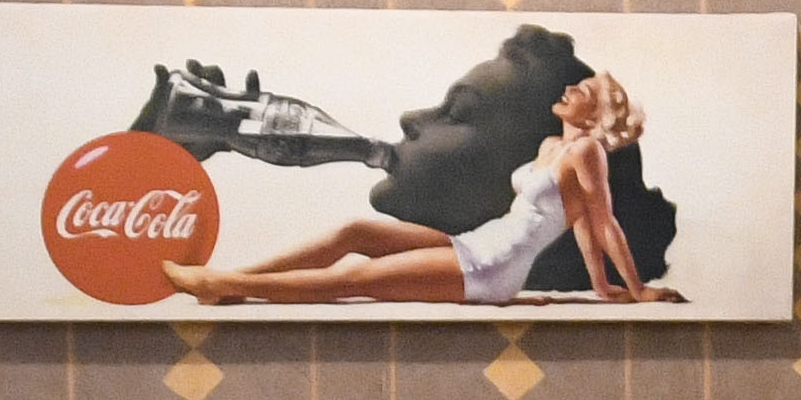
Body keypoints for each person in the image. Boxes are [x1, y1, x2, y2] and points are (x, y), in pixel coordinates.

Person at [164, 71, 670, 305]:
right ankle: (230, 281)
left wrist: (636, 289)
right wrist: (600, 287)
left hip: (494, 267)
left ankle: (223, 285)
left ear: (595, 113)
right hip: (481, 241)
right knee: (355, 232)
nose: (570, 88)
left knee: (356, 279)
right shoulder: (549, 146)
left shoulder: (587, 152)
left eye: (584, 91)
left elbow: (602, 222)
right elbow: (579, 222)